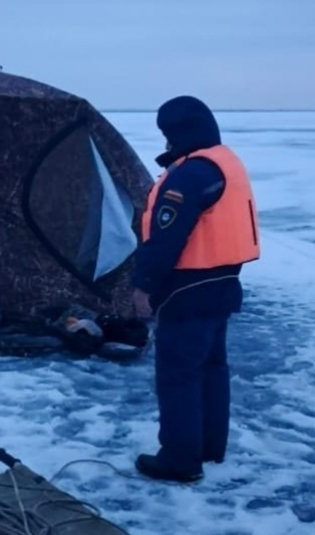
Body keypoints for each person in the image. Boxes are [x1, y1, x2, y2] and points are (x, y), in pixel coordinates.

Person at [132, 96, 260, 482]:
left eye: (168, 134)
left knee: (179, 373)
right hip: (224, 281)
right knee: (211, 366)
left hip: (188, 287)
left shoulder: (190, 175)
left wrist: (143, 287)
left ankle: (180, 460)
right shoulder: (224, 162)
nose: (166, 143)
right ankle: (209, 447)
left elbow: (168, 238)